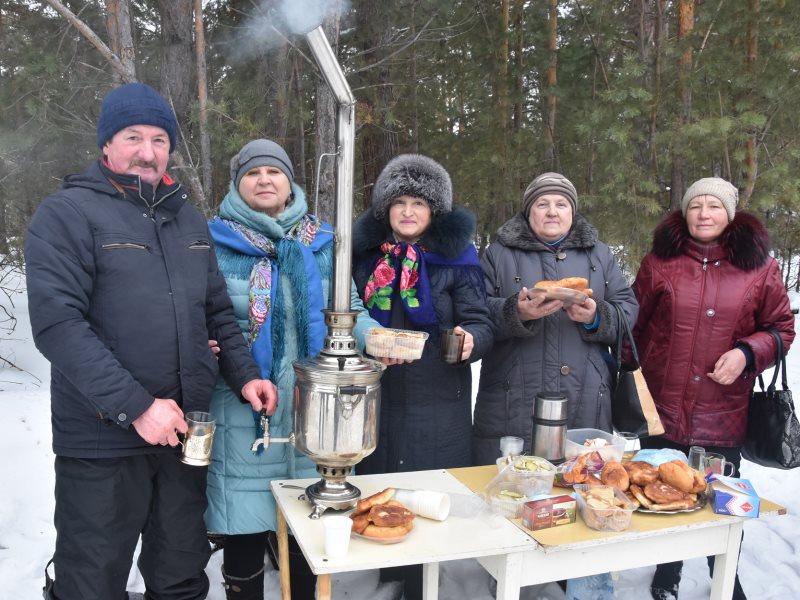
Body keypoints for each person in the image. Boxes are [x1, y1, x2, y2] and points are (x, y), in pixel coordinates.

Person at [25, 83, 279, 600]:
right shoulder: (66, 214)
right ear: (106, 145)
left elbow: (215, 312)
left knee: (181, 575)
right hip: (102, 440)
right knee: (91, 581)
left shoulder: (186, 217)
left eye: (159, 138)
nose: (147, 151)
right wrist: (138, 407)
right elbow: (59, 326)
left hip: (184, 434)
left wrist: (246, 374)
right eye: (133, 136)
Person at [204, 139, 381, 599]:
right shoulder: (214, 242)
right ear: (237, 184)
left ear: (289, 182)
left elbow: (350, 308)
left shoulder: (322, 243)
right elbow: (201, 315)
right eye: (253, 173)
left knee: (308, 532)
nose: (264, 180)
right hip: (243, 405)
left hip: (313, 406)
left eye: (274, 172)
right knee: (242, 532)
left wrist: (376, 337)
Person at [632, 177, 795, 600]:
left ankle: (725, 574)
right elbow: (633, 325)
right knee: (661, 492)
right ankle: (666, 574)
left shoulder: (760, 267)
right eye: (696, 206)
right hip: (661, 407)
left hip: (722, 411)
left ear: (730, 214)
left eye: (714, 207)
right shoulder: (658, 263)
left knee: (722, 500)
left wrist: (746, 352)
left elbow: (781, 329)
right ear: (685, 213)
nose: (704, 214)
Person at [351, 154, 494, 599]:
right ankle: (387, 576)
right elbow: (348, 315)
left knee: (426, 494)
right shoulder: (364, 258)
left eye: (418, 202)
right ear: (385, 210)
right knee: (380, 490)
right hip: (378, 394)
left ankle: (421, 583)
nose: (408, 211)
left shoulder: (458, 259)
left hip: (438, 397)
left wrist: (471, 340)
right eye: (399, 202)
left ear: (435, 211)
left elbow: (483, 321)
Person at [473, 172, 639, 466]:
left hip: (587, 396)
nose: (552, 211)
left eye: (561, 204)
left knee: (579, 489)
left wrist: (596, 316)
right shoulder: (498, 254)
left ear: (572, 212)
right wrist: (517, 313)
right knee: (510, 490)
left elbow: (627, 308)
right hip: (512, 398)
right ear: (528, 211)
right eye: (542, 204)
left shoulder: (599, 255)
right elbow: (475, 311)